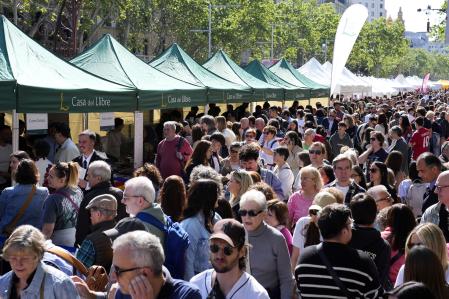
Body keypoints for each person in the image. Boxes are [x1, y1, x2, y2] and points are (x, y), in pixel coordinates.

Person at [78, 230, 202, 299]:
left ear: (145, 273)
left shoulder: (188, 295)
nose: (113, 277)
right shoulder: (124, 291)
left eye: (118, 271)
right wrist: (90, 295)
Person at [295, 203, 384, 298]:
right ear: (344, 231)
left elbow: (300, 292)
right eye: (350, 223)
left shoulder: (304, 258)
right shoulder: (362, 261)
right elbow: (376, 296)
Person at [190, 219, 269, 298]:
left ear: (242, 252)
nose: (219, 255)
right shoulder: (196, 284)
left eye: (227, 250)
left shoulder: (257, 295)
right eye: (214, 248)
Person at [239, 190, 294, 299]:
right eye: (243, 212)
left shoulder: (276, 238)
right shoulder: (234, 234)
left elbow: (286, 278)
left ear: (264, 214)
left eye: (252, 213)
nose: (246, 217)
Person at [0, 225, 79, 298]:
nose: (18, 263)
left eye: (25, 258)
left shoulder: (60, 284)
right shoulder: (3, 283)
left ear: (37, 256)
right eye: (13, 258)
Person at [75, 160, 125, 247]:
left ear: (98, 178)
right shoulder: (120, 194)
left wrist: (80, 248)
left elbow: (82, 227)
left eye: (89, 175)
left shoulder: (89, 197)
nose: (86, 178)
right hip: (119, 245)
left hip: (94, 248)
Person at [181, 179, 222, 280]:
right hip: (199, 280)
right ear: (208, 197)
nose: (219, 196)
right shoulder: (191, 225)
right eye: (216, 193)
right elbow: (188, 261)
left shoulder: (216, 218)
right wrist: (192, 289)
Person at [348, 193, 391, 289]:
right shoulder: (383, 246)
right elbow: (381, 280)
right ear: (376, 213)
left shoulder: (343, 238)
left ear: (352, 214)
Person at [0, 159, 49, 235]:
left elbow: (2, 214)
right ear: (35, 173)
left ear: (17, 173)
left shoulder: (7, 192)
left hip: (11, 235)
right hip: (33, 236)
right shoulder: (44, 192)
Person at [42, 162, 83, 246]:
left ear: (62, 179)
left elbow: (47, 231)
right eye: (48, 175)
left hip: (58, 242)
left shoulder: (52, 199)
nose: (47, 178)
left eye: (51, 177)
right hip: (75, 239)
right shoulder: (78, 191)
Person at [122, 176, 166, 243]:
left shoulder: (139, 228)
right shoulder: (160, 214)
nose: (122, 201)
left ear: (140, 201)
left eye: (125, 197)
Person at [381, 204, 417, 285]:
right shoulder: (418, 239)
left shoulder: (380, 238)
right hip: (409, 285)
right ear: (411, 219)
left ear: (389, 219)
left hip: (386, 285)